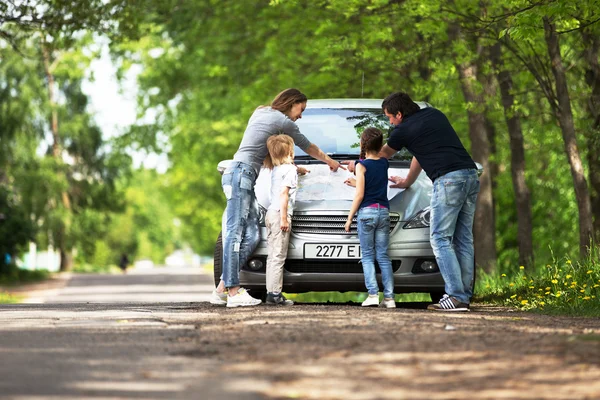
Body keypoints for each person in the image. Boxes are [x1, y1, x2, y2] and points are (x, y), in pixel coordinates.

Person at [210, 88, 344, 308]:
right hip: (240, 176)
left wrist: (293, 169)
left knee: (252, 235)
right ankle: (234, 293)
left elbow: (265, 153)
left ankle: (220, 289)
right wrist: (330, 162)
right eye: (301, 109)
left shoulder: (260, 112)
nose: (300, 115)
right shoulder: (284, 122)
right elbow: (308, 146)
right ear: (292, 103)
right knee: (235, 234)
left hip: (242, 176)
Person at [372, 91, 479, 312]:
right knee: (463, 239)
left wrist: (359, 163)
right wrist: (408, 181)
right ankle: (464, 297)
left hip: (448, 180)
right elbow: (420, 151)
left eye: (389, 117)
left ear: (399, 114)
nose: (390, 122)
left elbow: (382, 155)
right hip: (469, 175)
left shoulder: (402, 130)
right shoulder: (434, 114)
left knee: (440, 237)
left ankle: (456, 297)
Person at [344, 128, 395, 308]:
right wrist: (357, 182)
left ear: (362, 143)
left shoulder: (361, 165)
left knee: (367, 256)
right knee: (383, 256)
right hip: (383, 213)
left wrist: (349, 218)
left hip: (367, 214)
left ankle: (373, 295)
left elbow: (360, 195)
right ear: (380, 145)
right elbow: (375, 184)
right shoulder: (384, 163)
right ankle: (389, 299)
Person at [263, 135, 297, 306]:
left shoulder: (277, 169)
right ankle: (275, 294)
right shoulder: (290, 170)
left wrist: (300, 170)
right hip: (279, 214)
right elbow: (284, 194)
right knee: (279, 256)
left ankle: (271, 291)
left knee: (272, 255)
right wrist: (284, 218)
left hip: (270, 213)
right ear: (290, 151)